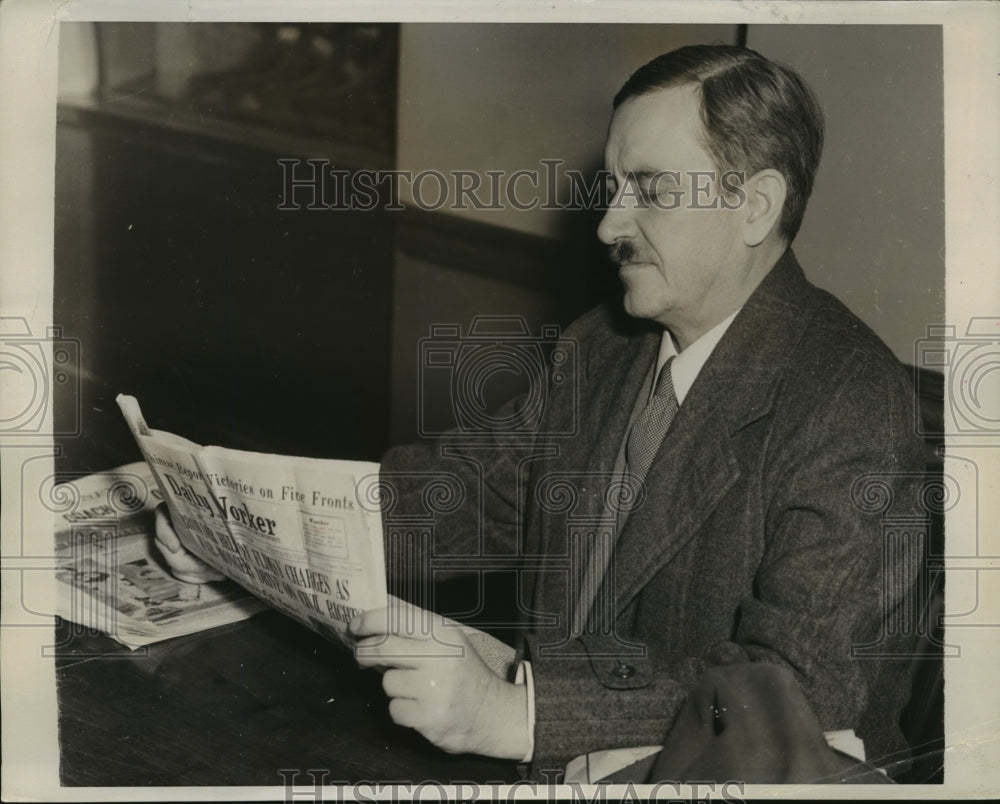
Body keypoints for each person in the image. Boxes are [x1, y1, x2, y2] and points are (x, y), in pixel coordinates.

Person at [156, 44, 926, 781]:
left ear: (755, 204)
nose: (609, 226)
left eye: (651, 190)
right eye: (614, 188)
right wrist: (242, 530)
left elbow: (796, 687)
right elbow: (470, 493)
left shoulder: (850, 401)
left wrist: (517, 710)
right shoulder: (608, 345)